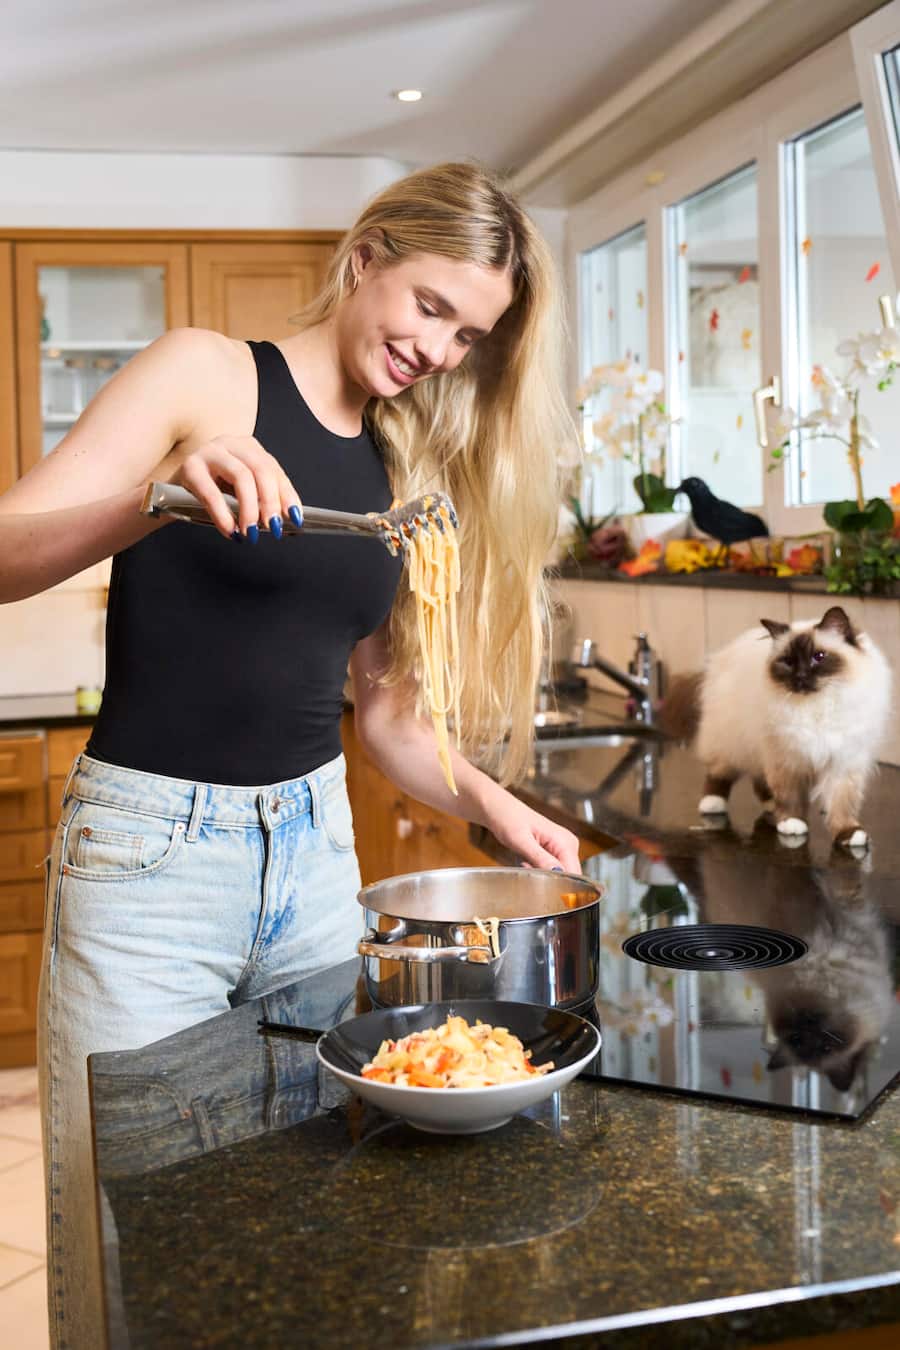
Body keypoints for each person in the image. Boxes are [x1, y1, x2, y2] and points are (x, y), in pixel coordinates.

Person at [0, 161, 580, 1348]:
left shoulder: (402, 470)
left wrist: (493, 805)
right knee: (134, 1224)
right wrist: (159, 496)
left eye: (469, 335)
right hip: (149, 866)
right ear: (365, 256)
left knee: (313, 1206)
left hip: (314, 861)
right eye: (430, 307)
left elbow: (387, 720)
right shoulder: (206, 372)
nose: (441, 350)